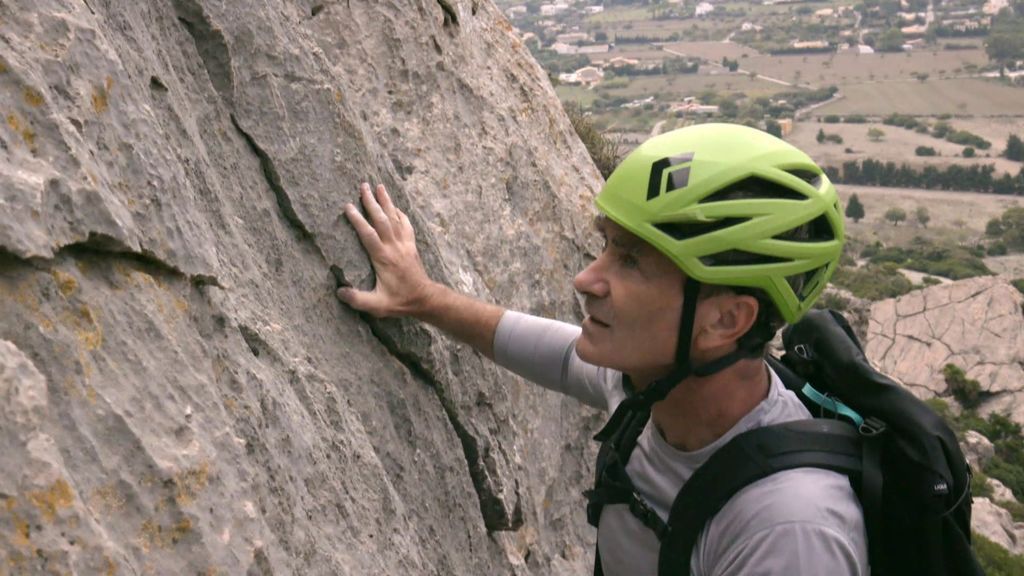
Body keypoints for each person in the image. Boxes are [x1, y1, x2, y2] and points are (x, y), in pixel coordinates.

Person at [336, 123, 868, 575]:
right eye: (607, 246)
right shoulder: (648, 389)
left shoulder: (788, 530)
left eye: (631, 261)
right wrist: (422, 297)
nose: (586, 278)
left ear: (725, 320)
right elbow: (553, 352)